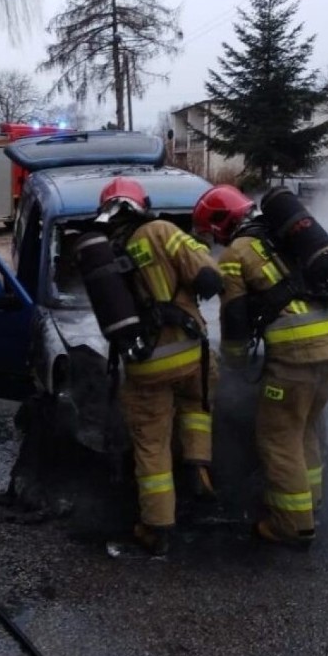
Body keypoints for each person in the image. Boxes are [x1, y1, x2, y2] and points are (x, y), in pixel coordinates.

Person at [192, 184, 328, 550]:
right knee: (305, 427)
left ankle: (292, 527)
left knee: (278, 438)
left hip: (297, 355)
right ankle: (310, 504)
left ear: (219, 224)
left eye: (210, 232)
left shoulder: (235, 253)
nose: (213, 239)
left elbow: (233, 318)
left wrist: (232, 365)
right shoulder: (284, 237)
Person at [91, 177, 224, 557]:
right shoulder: (162, 230)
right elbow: (210, 278)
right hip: (189, 351)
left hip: (144, 365)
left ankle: (156, 528)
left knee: (152, 446)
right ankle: (199, 470)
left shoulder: (106, 252)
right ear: (142, 203)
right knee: (197, 407)